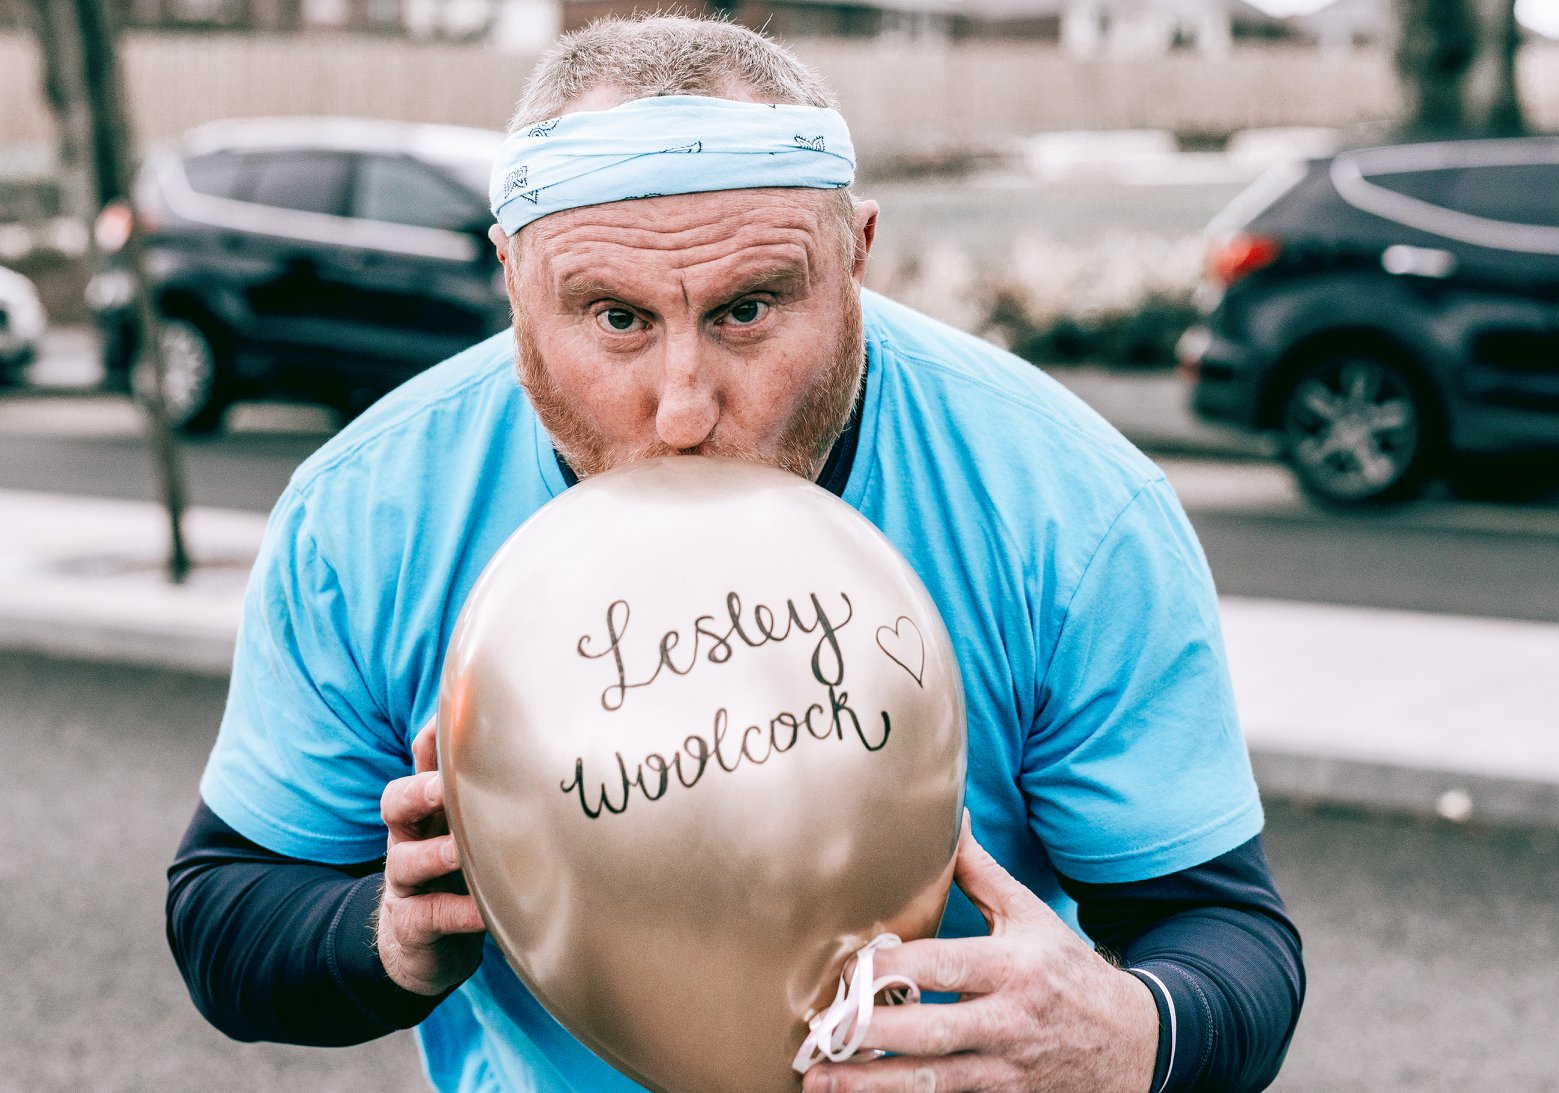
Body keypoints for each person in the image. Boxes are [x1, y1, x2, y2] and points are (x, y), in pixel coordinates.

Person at [166, 15, 1304, 1093]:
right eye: (614, 317)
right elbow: (225, 910)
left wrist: (1132, 1034)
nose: (681, 410)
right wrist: (388, 935)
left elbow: (1226, 932)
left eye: (748, 309)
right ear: (511, 281)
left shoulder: (1071, 509)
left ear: (855, 256)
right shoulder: (366, 518)